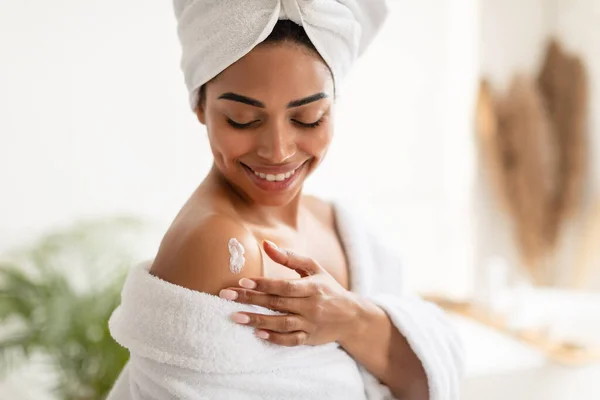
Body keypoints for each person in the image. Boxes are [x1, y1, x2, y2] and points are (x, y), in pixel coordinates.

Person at [107, 1, 464, 399]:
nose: (277, 151)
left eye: (308, 117)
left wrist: (350, 320)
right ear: (201, 106)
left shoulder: (340, 227)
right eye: (243, 119)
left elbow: (426, 378)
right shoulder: (220, 246)